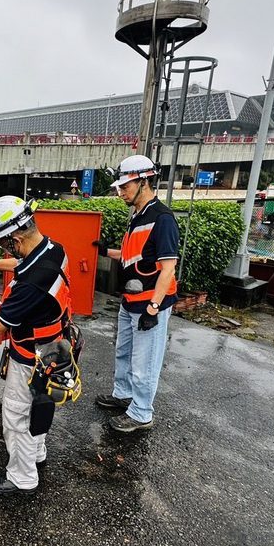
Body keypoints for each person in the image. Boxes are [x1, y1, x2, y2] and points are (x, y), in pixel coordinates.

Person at [0, 195, 73, 496]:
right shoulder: (53, 249)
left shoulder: (31, 284)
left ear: (14, 238)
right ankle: (36, 455)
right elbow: (24, 260)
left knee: (16, 416)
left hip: (30, 357)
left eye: (2, 245)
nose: (2, 250)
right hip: (52, 349)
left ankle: (22, 478)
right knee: (39, 407)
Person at [93, 155, 179, 433]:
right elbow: (134, 257)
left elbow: (168, 269)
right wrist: (105, 251)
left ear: (144, 181)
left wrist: (154, 309)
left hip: (149, 304)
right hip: (130, 301)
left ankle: (141, 413)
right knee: (124, 353)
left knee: (144, 362)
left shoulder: (162, 219)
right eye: (120, 187)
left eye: (125, 187)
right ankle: (123, 395)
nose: (120, 193)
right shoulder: (138, 216)